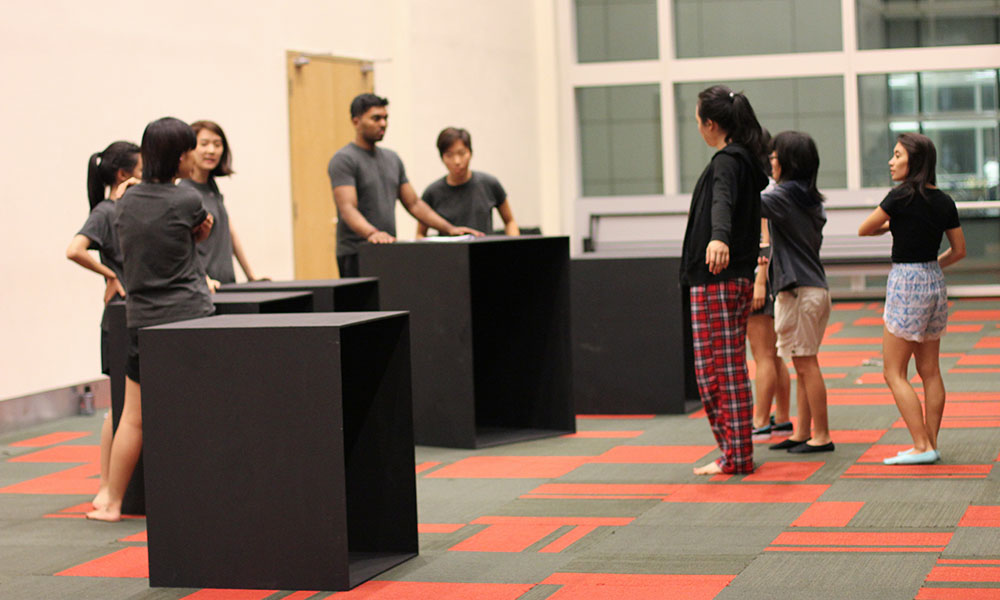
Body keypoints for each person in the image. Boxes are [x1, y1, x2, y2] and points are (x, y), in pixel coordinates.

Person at [87, 117, 215, 522]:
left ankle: (112, 501)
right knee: (200, 409)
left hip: (143, 318)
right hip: (190, 316)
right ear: (179, 156)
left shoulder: (124, 200)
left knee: (133, 416)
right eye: (191, 150)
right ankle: (204, 499)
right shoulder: (188, 199)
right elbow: (196, 235)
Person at [858, 132, 966, 465]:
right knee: (930, 370)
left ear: (914, 161)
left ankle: (921, 444)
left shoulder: (899, 197)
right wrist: (932, 267)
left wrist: (892, 225)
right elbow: (959, 251)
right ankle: (930, 442)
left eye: (897, 155)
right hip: (933, 280)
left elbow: (865, 228)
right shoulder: (944, 201)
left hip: (906, 282)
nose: (891, 162)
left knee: (893, 372)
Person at [681, 85, 768, 475]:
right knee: (725, 365)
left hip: (717, 277)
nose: (698, 127)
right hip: (732, 277)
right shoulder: (743, 161)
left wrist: (718, 237)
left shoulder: (727, 162)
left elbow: (722, 201)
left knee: (717, 369)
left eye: (698, 120)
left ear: (711, 124)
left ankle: (735, 455)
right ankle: (735, 452)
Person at [328, 93, 484, 277]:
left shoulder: (392, 159)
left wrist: (450, 229)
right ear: (356, 122)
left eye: (385, 118)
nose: (383, 124)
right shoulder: (344, 160)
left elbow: (414, 203)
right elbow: (347, 208)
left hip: (387, 248)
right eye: (376, 118)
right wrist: (372, 233)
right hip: (356, 253)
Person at [66, 140, 141, 510]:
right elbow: (74, 249)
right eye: (141, 169)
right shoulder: (105, 211)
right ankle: (106, 487)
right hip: (118, 317)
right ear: (124, 174)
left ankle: (110, 489)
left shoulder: (127, 209)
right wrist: (109, 273)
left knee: (124, 408)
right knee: (118, 408)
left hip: (130, 313)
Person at [758, 131, 833, 454]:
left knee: (806, 364)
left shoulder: (785, 196)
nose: (770, 163)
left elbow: (749, 204)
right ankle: (803, 432)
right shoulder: (807, 196)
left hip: (801, 291)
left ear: (788, 161)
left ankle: (822, 435)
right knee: (803, 364)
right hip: (810, 288)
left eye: (773, 157)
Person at [179, 120, 263, 288]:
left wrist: (251, 275)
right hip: (205, 287)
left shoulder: (211, 185)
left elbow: (229, 230)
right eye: (204, 144)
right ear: (189, 149)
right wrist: (204, 279)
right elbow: (182, 245)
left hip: (226, 282)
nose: (211, 150)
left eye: (217, 144)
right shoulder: (184, 192)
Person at [416, 127, 519, 238]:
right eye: (449, 155)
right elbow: (420, 234)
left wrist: (513, 244)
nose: (457, 161)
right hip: (449, 249)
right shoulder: (432, 192)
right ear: (442, 157)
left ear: (470, 153)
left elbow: (510, 221)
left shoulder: (489, 184)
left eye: (462, 153)